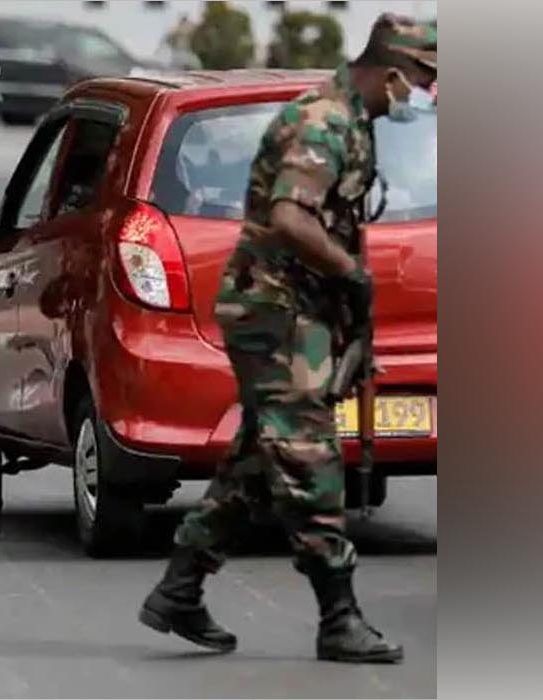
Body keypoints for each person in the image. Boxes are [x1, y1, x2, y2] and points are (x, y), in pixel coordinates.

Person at [136, 13, 436, 664]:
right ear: (393, 72)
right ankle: (339, 616)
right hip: (273, 313)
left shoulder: (354, 121)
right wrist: (351, 271)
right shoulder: (322, 121)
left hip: (303, 314)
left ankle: (179, 587)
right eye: (424, 79)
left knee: (258, 459)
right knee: (309, 457)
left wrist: (352, 320)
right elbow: (291, 218)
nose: (426, 94)